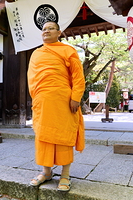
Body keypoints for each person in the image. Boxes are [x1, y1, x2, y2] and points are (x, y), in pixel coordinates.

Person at [27, 21, 85, 192]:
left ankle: (65, 175)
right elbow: (32, 78)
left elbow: (78, 76)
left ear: (59, 32)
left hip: (63, 101)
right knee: (43, 136)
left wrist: (76, 97)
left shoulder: (68, 50)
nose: (46, 31)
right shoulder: (36, 54)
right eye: (44, 29)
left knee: (63, 136)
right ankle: (46, 172)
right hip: (43, 102)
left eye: (50, 28)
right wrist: (37, 97)